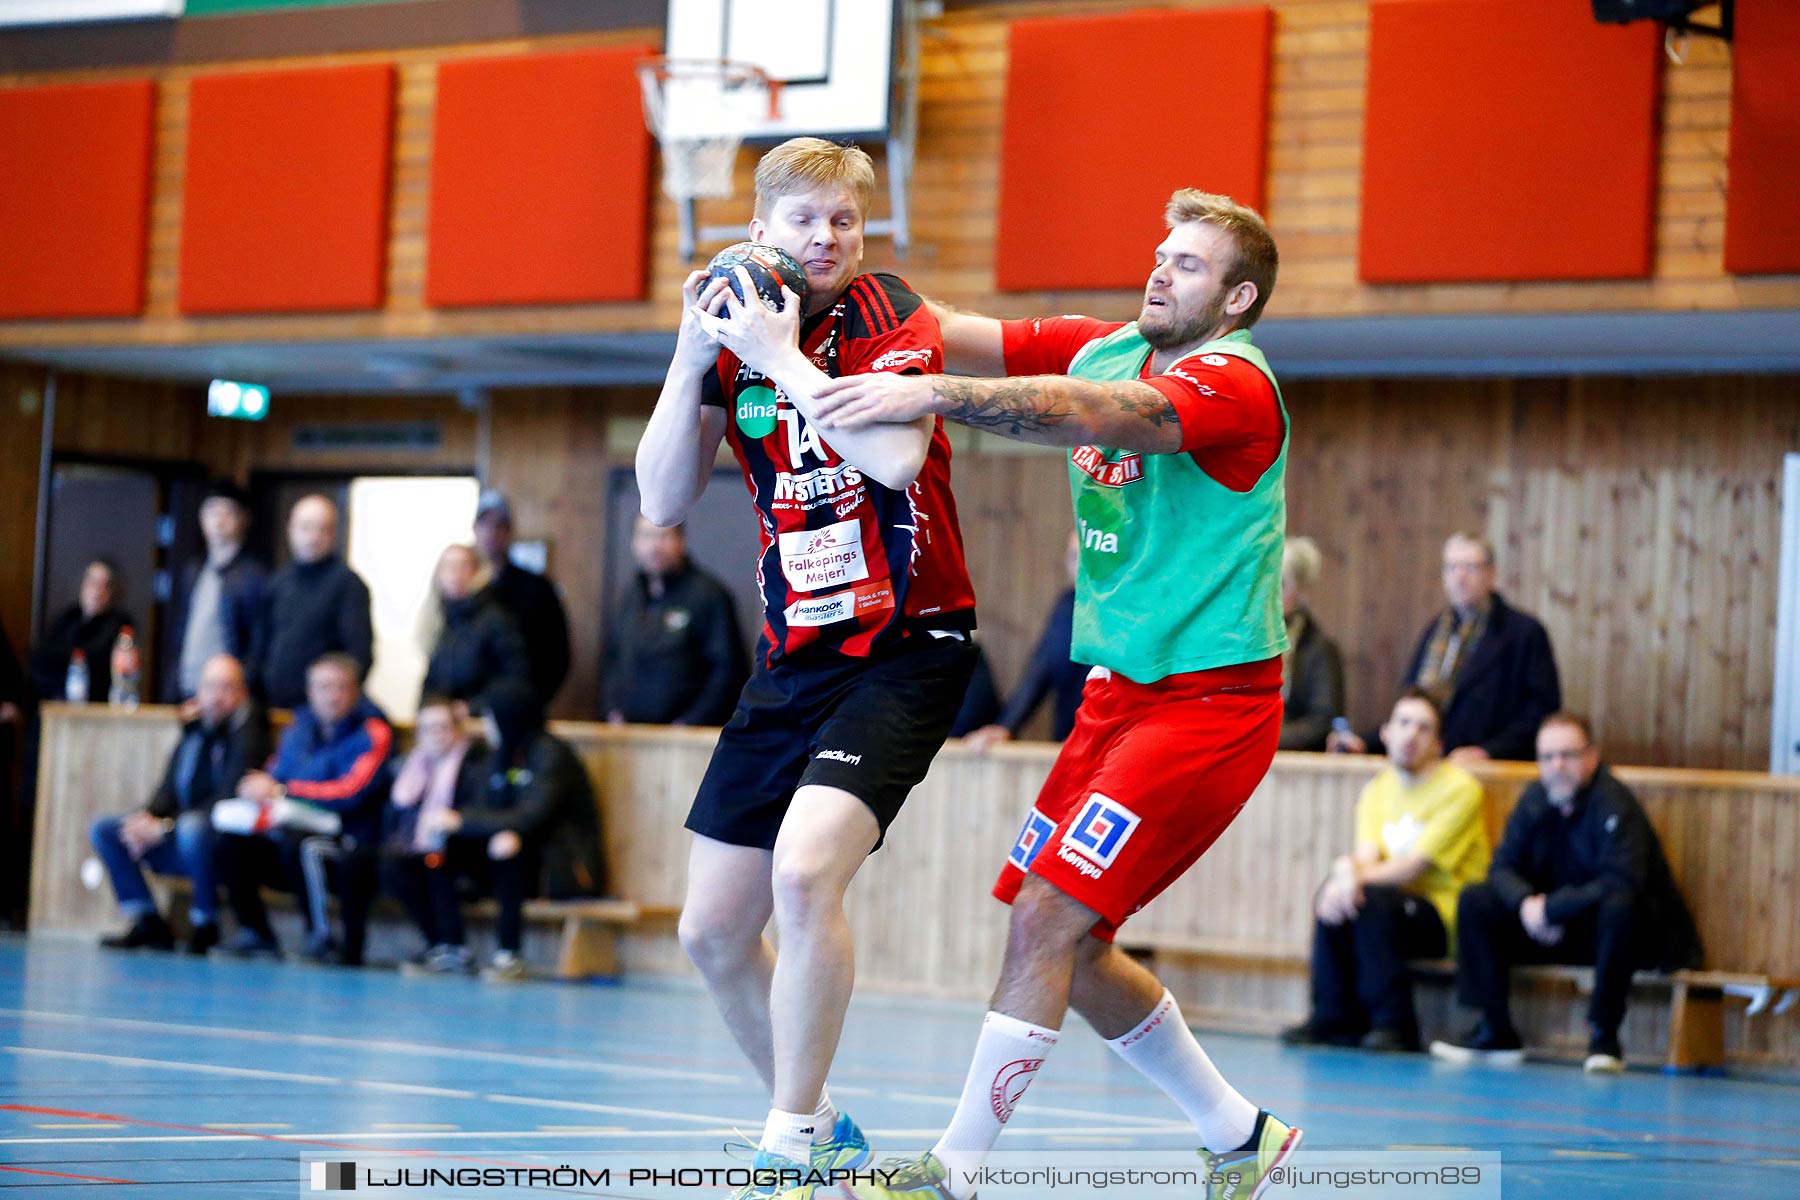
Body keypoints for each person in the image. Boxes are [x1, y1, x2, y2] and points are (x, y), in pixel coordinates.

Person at [807, 188, 1300, 1200]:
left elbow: (1096, 416)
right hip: (1116, 701)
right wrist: (811, 276)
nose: (1162, 270)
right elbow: (953, 326)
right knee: (1068, 943)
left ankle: (949, 1177)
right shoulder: (1106, 343)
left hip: (1209, 706)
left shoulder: (1233, 384)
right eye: (1163, 253)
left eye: (1192, 264)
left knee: (1045, 924)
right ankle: (1237, 1134)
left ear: (1239, 297)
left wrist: (932, 394)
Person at [637, 136, 978, 1193]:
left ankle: (785, 1141)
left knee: (801, 871)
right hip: (791, 659)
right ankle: (822, 1123)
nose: (829, 240)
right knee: (710, 933)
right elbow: (658, 501)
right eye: (805, 220)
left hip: (907, 646)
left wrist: (786, 356)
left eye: (846, 221)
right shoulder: (729, 334)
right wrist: (697, 355)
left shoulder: (892, 318)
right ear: (760, 231)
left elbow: (895, 458)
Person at [1430, 713, 1702, 1073]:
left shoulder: (1616, 805)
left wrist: (1553, 909)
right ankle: (1494, 1031)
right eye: (1547, 757)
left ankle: (1604, 1038)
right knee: (1477, 900)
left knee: (1620, 907)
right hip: (1550, 929)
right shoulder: (1534, 801)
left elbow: (1623, 880)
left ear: (1592, 756)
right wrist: (1527, 904)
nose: (1557, 766)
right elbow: (1502, 867)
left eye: (1568, 755)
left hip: (1620, 937)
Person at [1280, 689, 1487, 1052]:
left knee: (1371, 900)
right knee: (1333, 896)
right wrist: (1342, 874)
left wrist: (1350, 876)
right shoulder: (1378, 788)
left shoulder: (1461, 789)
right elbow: (1367, 856)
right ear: (1387, 733)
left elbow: (1412, 867)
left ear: (1437, 743)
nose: (1411, 735)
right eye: (1404, 723)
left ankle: (1393, 1024)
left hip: (1442, 914)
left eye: (1424, 728)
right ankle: (1330, 1018)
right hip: (1389, 906)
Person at [414, 678, 607, 981]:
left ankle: (509, 954)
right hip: (503, 854)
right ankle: (452, 947)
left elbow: (533, 817)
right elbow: (483, 806)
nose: (485, 726)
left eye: (490, 718)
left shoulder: (551, 755)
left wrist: (467, 823)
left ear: (509, 718)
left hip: (559, 865)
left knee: (509, 845)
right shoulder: (498, 754)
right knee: (440, 853)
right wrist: (456, 825)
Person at [215, 653, 393, 964]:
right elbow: (275, 772)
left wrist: (286, 791)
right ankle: (256, 932)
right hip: (289, 826)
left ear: (356, 691)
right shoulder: (297, 729)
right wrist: (256, 786)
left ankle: (320, 936)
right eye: (324, 687)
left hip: (347, 834)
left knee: (301, 846)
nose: (332, 695)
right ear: (310, 692)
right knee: (230, 842)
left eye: (341, 687)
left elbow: (352, 792)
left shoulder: (373, 731)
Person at [90, 655, 269, 954]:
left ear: (242, 694)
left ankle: (205, 923)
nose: (217, 697)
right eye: (211, 687)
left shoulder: (248, 733)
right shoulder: (193, 733)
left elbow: (226, 798)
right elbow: (167, 792)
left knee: (191, 828)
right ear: (198, 691)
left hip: (220, 846)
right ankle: (148, 920)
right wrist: (145, 820)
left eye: (227, 688)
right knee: (105, 829)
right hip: (176, 839)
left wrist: (165, 828)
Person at [1330, 533, 1559, 763]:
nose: (1459, 576)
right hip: (1428, 763)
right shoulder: (1435, 630)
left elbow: (1540, 714)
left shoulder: (1524, 633)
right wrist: (1367, 742)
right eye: (1451, 567)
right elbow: (1414, 702)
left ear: (1491, 574)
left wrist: (1489, 751)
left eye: (1470, 567)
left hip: (1491, 767)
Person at [380, 692, 492, 974]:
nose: (436, 735)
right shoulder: (411, 766)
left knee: (437, 862)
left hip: (467, 849)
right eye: (428, 729)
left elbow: (482, 811)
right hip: (422, 849)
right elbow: (398, 811)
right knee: (392, 865)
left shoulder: (476, 761)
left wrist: (454, 821)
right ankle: (437, 943)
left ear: (457, 728)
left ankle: (454, 945)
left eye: (443, 727)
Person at [601, 517, 747, 726]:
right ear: (634, 543)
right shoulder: (630, 596)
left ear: (681, 541)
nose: (654, 546)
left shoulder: (709, 595)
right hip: (628, 733)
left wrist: (691, 722)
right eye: (646, 536)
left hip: (688, 738)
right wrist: (611, 710)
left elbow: (727, 671)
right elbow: (613, 659)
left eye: (663, 536)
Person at [964, 531, 1086, 750]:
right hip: (1069, 744)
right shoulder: (1067, 607)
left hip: (1114, 743)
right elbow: (1040, 671)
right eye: (1074, 557)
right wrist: (1006, 727)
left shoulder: (1122, 612)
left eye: (1087, 557)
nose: (1080, 567)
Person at [251, 496, 373, 710]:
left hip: (324, 713)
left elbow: (359, 654)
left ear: (334, 534)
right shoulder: (278, 582)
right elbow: (260, 646)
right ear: (291, 530)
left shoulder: (349, 585)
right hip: (272, 706)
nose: (313, 536)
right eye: (305, 527)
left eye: (322, 529)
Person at [161, 480, 268, 703]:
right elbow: (180, 635)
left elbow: (257, 645)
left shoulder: (253, 576)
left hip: (225, 695)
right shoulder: (193, 571)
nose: (218, 520)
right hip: (186, 687)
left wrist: (242, 686)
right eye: (211, 511)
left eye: (227, 512)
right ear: (201, 517)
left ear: (243, 519)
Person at [473, 489, 572, 710]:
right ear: (475, 530)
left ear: (509, 532)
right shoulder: (466, 590)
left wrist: (533, 701)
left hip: (521, 709)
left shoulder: (537, 588)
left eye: (499, 525)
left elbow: (558, 654)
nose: (491, 533)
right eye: (484, 525)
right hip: (471, 710)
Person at [420, 543, 531, 712]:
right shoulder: (441, 621)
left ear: (477, 572)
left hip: (483, 721)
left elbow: (515, 678)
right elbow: (432, 681)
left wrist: (472, 707)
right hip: (446, 720)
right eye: (448, 566)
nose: (455, 573)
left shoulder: (495, 619)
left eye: (463, 565)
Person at [27, 559, 133, 704]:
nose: (97, 590)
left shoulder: (120, 625)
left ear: (112, 592)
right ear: (83, 585)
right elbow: (39, 660)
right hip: (55, 701)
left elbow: (98, 662)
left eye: (105, 585)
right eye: (93, 583)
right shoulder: (67, 619)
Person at [1277, 536, 1344, 751]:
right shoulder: (1251, 642)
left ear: (1301, 590)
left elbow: (1321, 722)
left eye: (1281, 584)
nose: (1272, 593)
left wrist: (1266, 740)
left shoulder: (1319, 649)